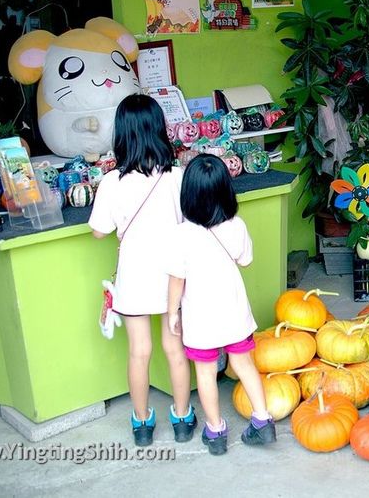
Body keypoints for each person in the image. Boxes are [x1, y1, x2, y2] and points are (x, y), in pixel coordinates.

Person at [89, 94, 195, 447]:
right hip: (173, 278)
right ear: (158, 130)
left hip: (134, 276)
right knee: (174, 349)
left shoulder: (110, 183)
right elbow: (192, 222)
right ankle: (182, 417)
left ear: (122, 134)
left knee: (139, 351)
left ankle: (142, 423)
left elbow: (99, 230)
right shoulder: (177, 177)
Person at [168, 154, 274, 455]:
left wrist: (172, 313)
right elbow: (246, 260)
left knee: (205, 372)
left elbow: (176, 279)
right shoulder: (236, 225)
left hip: (201, 319)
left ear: (187, 194)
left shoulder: (182, 234)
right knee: (244, 364)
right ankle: (263, 421)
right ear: (227, 190)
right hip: (234, 313)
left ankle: (215, 432)